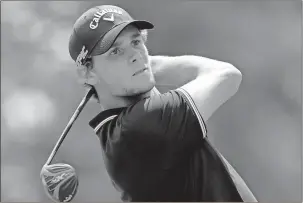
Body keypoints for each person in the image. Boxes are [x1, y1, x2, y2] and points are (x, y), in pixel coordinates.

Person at [68, 4, 257, 202]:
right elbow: (227, 75)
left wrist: (139, 69)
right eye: (115, 51)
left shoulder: (118, 134)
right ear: (87, 72)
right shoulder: (141, 127)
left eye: (136, 42)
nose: (136, 55)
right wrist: (152, 66)